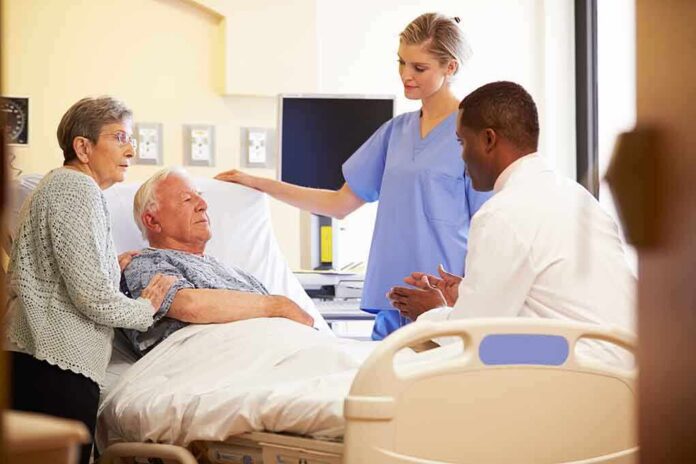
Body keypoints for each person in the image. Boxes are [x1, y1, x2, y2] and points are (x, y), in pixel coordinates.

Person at [215, 13, 491, 340]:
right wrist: (259, 183)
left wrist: (472, 294)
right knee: (383, 387)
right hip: (394, 295)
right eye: (401, 63)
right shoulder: (395, 133)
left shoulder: (474, 136)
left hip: (445, 300)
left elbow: (488, 228)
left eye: (419, 68)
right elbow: (340, 203)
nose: (406, 75)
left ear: (451, 68)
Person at [388, 81, 636, 363]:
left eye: (462, 142)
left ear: (489, 140)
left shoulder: (501, 214)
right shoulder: (579, 199)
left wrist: (431, 310)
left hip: (580, 376)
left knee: (405, 363)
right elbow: (551, 297)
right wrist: (469, 292)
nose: (461, 156)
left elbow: (469, 338)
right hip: (628, 370)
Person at [5, 96, 176, 464]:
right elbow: (92, 297)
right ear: (83, 147)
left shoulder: (56, 187)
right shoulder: (77, 190)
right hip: (56, 365)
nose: (130, 148)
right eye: (118, 137)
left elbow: (53, 269)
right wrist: (146, 308)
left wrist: (109, 265)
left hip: (37, 360)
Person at [121, 168, 315, 357]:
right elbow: (188, 305)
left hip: (280, 348)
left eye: (199, 196)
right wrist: (277, 305)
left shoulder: (239, 274)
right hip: (219, 359)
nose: (203, 204)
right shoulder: (145, 263)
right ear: (153, 221)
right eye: (187, 199)